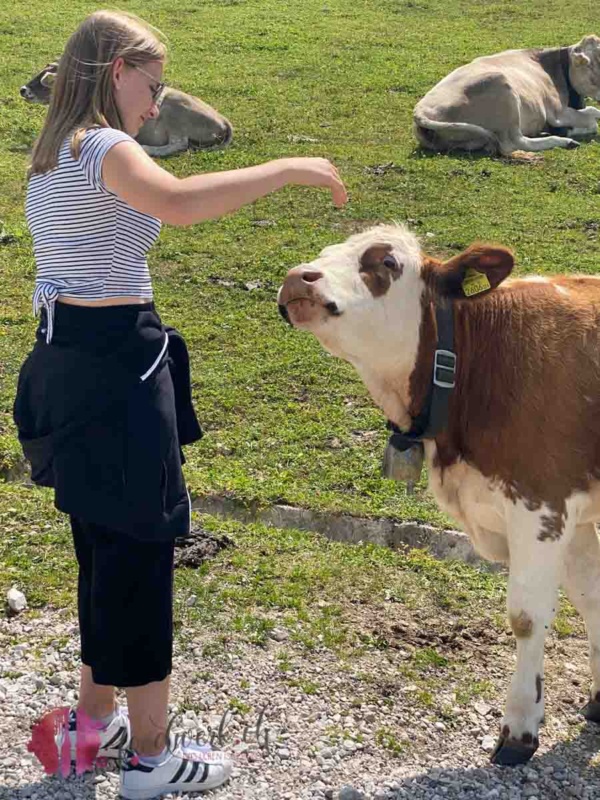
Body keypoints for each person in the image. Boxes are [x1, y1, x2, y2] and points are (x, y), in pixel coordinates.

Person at [13, 9, 347, 799]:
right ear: (117, 69)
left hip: (62, 363)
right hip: (116, 367)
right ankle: (152, 757)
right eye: (153, 85)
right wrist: (288, 168)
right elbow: (184, 202)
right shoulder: (105, 145)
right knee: (140, 552)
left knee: (101, 550)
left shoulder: (51, 151)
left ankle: (90, 731)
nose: (156, 105)